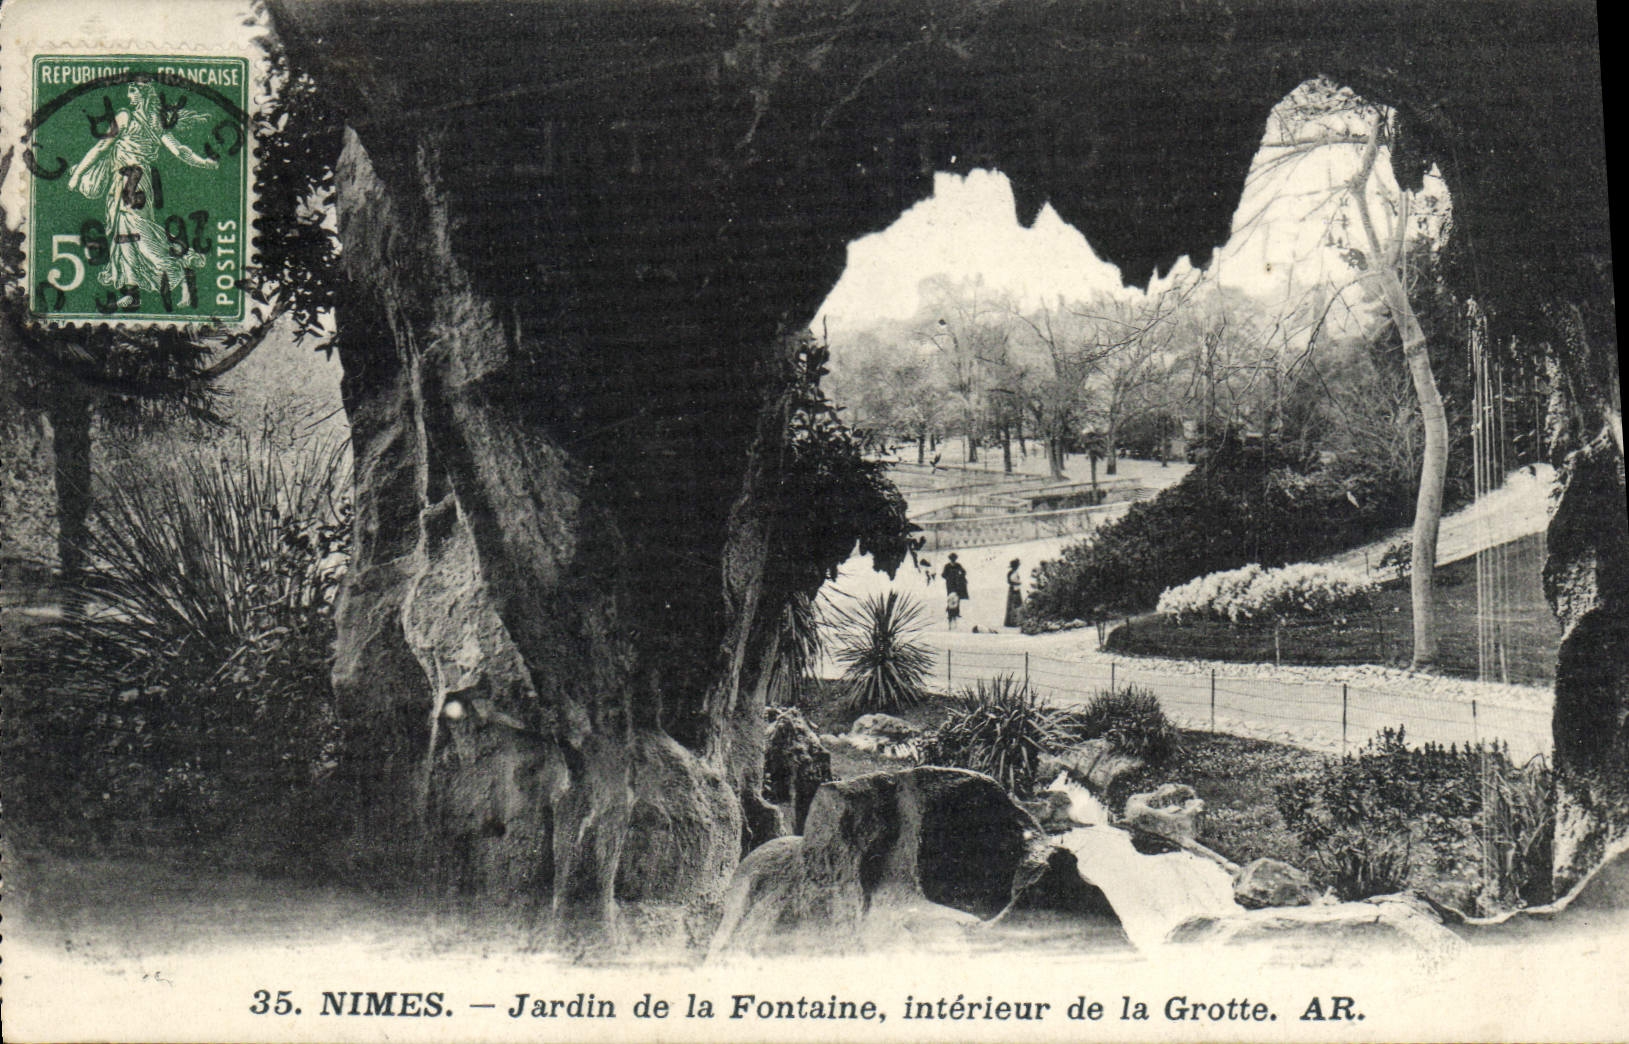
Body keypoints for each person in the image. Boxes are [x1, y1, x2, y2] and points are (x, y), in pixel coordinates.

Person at [67, 82, 219, 308]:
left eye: (134, 90)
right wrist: (203, 163)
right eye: (130, 90)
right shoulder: (151, 121)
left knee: (141, 234)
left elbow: (103, 148)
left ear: (146, 94)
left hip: (134, 183)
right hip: (125, 182)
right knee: (123, 235)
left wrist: (77, 175)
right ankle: (132, 291)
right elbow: (179, 150)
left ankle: (184, 262)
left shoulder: (129, 118)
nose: (130, 95)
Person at [941, 553, 969, 629]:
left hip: (957, 584)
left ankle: (956, 612)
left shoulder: (958, 565)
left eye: (954, 558)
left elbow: (964, 572)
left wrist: (960, 576)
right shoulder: (947, 566)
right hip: (950, 585)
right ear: (950, 559)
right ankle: (950, 611)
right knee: (950, 598)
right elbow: (943, 574)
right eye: (952, 559)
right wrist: (948, 577)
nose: (953, 560)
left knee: (957, 598)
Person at [1004, 558, 1024, 628]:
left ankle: (1015, 621)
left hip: (1015, 589)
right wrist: (1017, 583)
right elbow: (1009, 581)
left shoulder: (1013, 572)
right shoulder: (1011, 573)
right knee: (1014, 604)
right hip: (1014, 589)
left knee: (1015, 605)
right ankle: (1013, 622)